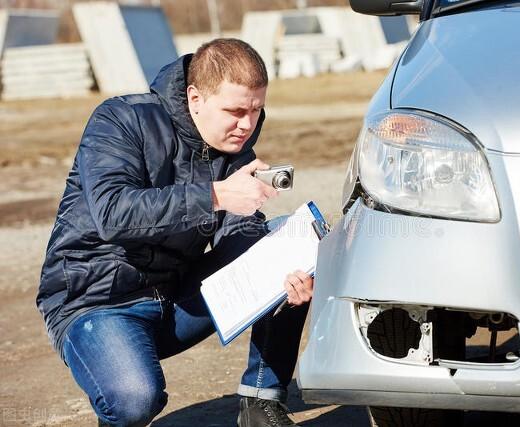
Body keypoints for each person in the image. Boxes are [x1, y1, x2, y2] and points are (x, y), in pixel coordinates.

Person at [36, 38, 314, 427]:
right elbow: (112, 213)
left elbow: (241, 237)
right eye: (234, 110)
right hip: (96, 301)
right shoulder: (120, 119)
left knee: (287, 244)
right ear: (195, 98)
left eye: (256, 110)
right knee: (135, 399)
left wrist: (282, 282)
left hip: (175, 296)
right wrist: (216, 194)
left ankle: (260, 400)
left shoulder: (236, 147)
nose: (247, 124)